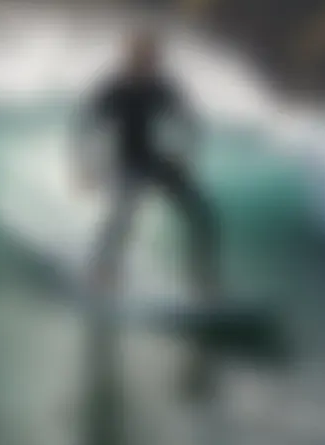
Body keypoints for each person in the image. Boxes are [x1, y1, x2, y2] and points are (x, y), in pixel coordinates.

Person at [74, 30, 220, 301]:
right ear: (131, 57)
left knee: (203, 215)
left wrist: (186, 154)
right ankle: (102, 276)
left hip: (157, 161)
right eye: (144, 57)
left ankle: (203, 281)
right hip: (128, 164)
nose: (151, 62)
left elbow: (189, 122)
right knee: (121, 222)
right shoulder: (114, 89)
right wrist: (85, 168)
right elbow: (87, 126)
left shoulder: (162, 87)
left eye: (154, 57)